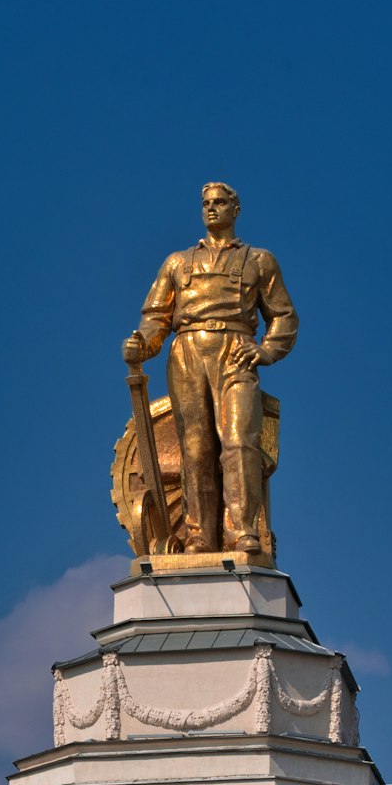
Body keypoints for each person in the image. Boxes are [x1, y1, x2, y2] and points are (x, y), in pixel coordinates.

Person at [123, 182, 298, 555]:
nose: (211, 209)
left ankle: (243, 531)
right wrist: (141, 343)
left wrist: (266, 351)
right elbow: (156, 318)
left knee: (238, 443)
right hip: (187, 353)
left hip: (235, 351)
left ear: (236, 210)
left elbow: (283, 317)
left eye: (219, 203)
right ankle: (200, 535)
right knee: (195, 448)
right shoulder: (178, 262)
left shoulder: (258, 260)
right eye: (206, 204)